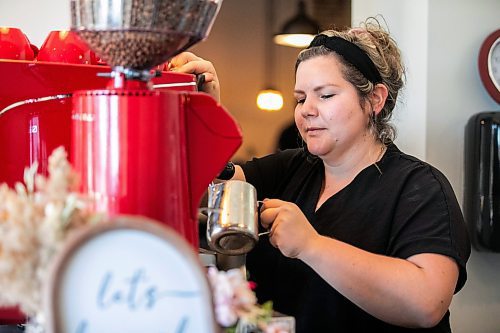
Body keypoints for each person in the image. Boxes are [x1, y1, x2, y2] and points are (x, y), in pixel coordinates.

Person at [170, 18, 470, 332]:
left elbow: (426, 304)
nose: (306, 110)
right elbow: (209, 189)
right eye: (301, 98)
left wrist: (311, 245)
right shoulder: (292, 168)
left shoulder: (419, 188)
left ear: (375, 99)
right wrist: (204, 108)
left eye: (325, 95)